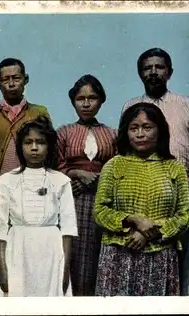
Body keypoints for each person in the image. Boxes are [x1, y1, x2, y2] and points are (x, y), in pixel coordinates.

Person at [122, 48, 189, 295]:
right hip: (141, 193)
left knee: (180, 258)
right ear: (140, 73)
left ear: (169, 72)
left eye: (159, 67)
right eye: (147, 68)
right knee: (141, 256)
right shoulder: (131, 106)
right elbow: (124, 148)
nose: (153, 72)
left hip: (181, 191)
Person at [0, 57, 51, 297]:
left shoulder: (39, 112)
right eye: (6, 80)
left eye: (16, 78)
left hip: (28, 193)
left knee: (23, 251)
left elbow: (49, 152)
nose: (11, 83)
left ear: (25, 80)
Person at [94, 102, 189, 296]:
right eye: (134, 128)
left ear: (160, 130)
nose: (140, 134)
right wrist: (133, 219)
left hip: (160, 255)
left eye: (147, 127)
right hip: (118, 255)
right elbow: (100, 211)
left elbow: (184, 216)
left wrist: (148, 232)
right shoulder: (114, 166)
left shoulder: (174, 168)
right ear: (126, 132)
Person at [0, 116, 77, 297]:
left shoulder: (60, 181)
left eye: (40, 142)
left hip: (51, 250)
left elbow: (68, 228)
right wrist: (2, 269)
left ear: (49, 146)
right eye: (28, 142)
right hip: (18, 249)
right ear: (20, 147)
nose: (34, 148)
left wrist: (65, 268)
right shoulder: (7, 181)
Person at [56, 74, 117, 296]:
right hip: (72, 199)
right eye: (81, 98)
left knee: (97, 255)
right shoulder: (63, 132)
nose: (86, 103)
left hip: (101, 201)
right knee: (72, 251)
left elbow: (117, 168)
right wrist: (76, 173)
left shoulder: (112, 134)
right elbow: (56, 166)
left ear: (101, 100)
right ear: (73, 101)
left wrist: (96, 180)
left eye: (92, 98)